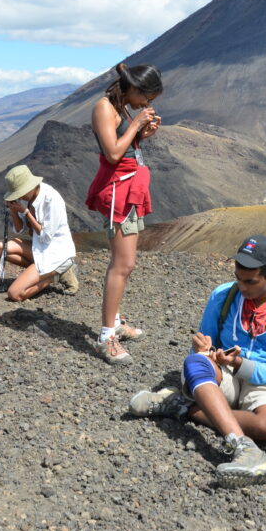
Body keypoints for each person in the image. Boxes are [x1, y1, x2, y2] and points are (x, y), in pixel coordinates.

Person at [128, 235, 266, 487]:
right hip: (227, 373)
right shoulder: (223, 295)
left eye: (250, 281)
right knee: (194, 363)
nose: (242, 287)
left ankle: (183, 406)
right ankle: (244, 448)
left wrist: (241, 365)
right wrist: (204, 349)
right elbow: (206, 345)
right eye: (238, 278)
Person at [85, 62, 163, 364]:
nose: (148, 104)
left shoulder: (123, 106)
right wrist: (135, 124)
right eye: (147, 98)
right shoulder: (104, 108)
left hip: (131, 188)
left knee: (126, 264)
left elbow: (128, 147)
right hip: (118, 190)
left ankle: (115, 322)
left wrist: (144, 133)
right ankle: (107, 337)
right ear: (133, 89)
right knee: (123, 264)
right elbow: (113, 153)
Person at [0, 164, 79, 301]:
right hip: (39, 248)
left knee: (14, 294)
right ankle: (41, 275)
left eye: (20, 193)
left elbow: (46, 237)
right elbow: (19, 229)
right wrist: (13, 210)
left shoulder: (51, 199)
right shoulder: (27, 198)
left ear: (30, 186)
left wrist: (27, 213)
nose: (20, 196)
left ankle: (54, 276)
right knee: (0, 248)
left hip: (55, 253)